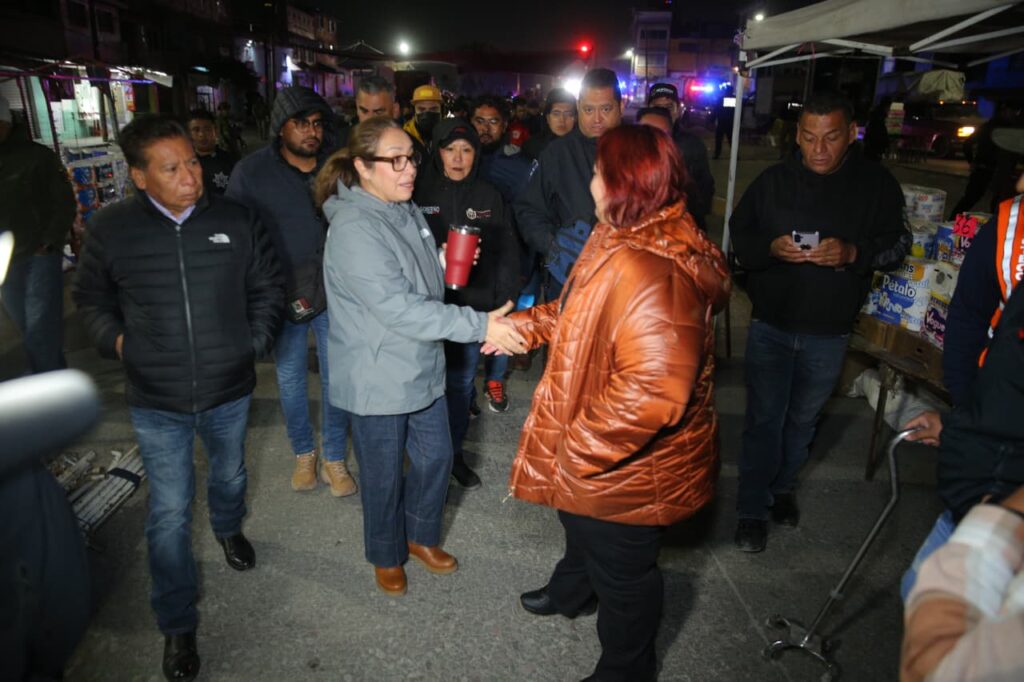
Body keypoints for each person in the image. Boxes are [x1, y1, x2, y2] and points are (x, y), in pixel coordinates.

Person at [502, 124, 730, 681]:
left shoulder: (656, 272)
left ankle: (627, 671)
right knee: (581, 527)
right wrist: (524, 327)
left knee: (625, 576)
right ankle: (573, 591)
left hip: (630, 467)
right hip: (602, 451)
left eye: (599, 173)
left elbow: (653, 395)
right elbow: (580, 310)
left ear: (625, 184)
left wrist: (576, 448)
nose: (591, 182)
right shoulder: (620, 233)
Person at [73, 114, 283, 682]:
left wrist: (253, 342)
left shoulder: (237, 219)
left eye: (192, 162)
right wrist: (121, 344)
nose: (191, 177)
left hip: (228, 389)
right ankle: (176, 621)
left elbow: (267, 286)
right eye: (172, 169)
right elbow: (91, 299)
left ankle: (228, 526)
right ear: (140, 177)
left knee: (230, 476)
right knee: (168, 512)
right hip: (155, 398)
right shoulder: (112, 229)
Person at [314, 117, 527, 596]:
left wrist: (446, 259)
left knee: (436, 458)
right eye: (396, 161)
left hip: (419, 362)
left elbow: (416, 273)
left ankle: (419, 535)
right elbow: (397, 307)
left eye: (411, 158)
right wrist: (481, 325)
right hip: (378, 373)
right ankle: (385, 553)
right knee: (384, 475)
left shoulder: (403, 207)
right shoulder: (354, 228)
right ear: (363, 167)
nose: (410, 169)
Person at [730, 91, 911, 553]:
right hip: (771, 324)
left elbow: (897, 247)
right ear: (797, 135)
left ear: (852, 133)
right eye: (809, 137)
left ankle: (783, 489)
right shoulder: (772, 182)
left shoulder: (876, 184)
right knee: (764, 420)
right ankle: (751, 509)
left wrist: (853, 253)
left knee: (803, 420)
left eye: (830, 137)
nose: (819, 149)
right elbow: (740, 237)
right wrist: (769, 249)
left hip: (829, 332)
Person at [227, 86, 356, 497]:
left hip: (335, 290)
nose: (311, 132)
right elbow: (235, 233)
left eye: (317, 123)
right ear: (280, 127)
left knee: (338, 377)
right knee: (290, 377)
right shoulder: (252, 173)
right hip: (283, 292)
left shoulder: (339, 166)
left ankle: (334, 457)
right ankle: (303, 452)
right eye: (300, 123)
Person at [413, 118, 520, 487]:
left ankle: (453, 454)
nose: (458, 158)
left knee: (459, 384)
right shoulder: (418, 192)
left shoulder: (490, 195)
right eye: (450, 149)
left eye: (466, 150)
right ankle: (423, 455)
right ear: (438, 152)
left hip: (473, 307)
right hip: (427, 306)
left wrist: (506, 297)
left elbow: (508, 252)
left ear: (477, 154)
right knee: (424, 385)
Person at [515, 68, 624, 301]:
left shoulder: (640, 151)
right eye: (588, 109)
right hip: (567, 280)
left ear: (621, 107)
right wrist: (554, 246)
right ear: (579, 108)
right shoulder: (557, 154)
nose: (597, 119)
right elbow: (528, 209)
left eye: (605, 109)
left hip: (624, 279)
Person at [901, 485, 1024, 682]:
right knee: (911, 586)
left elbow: (934, 670)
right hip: (967, 514)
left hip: (986, 527)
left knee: (915, 590)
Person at [942, 127, 1024, 406]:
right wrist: (965, 405)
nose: (1020, 185)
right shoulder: (1005, 228)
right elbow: (968, 314)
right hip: (1000, 400)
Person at [0, 95, 76, 376]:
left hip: (38, 254)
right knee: (27, 327)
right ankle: (53, 377)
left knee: (40, 327)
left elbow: (64, 201)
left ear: (5, 123)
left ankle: (48, 384)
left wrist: (49, 241)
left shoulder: (38, 157)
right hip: (6, 259)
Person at [646, 83, 715, 231]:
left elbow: (705, 188)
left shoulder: (693, 145)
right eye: (658, 108)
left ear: (678, 111)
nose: (663, 113)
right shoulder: (634, 144)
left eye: (669, 107)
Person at [470, 94, 533, 203]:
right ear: (471, 123)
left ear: (504, 126)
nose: (485, 128)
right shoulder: (457, 161)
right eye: (479, 121)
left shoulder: (521, 168)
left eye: (493, 122)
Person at [186, 109, 238, 196]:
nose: (201, 134)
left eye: (207, 129)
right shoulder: (184, 165)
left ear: (216, 131)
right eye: (196, 130)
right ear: (189, 134)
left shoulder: (230, 160)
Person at [338, 75, 401, 147]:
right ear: (357, 107)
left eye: (378, 112)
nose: (369, 119)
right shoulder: (339, 142)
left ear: (395, 110)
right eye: (364, 111)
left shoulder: (407, 145)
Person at [521, 88, 576, 161]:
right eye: (556, 114)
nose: (562, 120)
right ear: (548, 118)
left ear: (575, 118)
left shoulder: (584, 148)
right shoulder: (531, 147)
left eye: (568, 114)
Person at [403, 83, 443, 158]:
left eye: (433, 109)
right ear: (414, 111)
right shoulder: (405, 135)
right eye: (421, 109)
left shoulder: (448, 135)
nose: (427, 114)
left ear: (441, 110)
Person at [862, 97, 891, 162]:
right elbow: (880, 134)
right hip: (874, 149)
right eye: (888, 108)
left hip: (870, 148)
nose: (889, 110)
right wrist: (886, 144)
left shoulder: (875, 117)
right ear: (886, 107)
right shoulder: (879, 119)